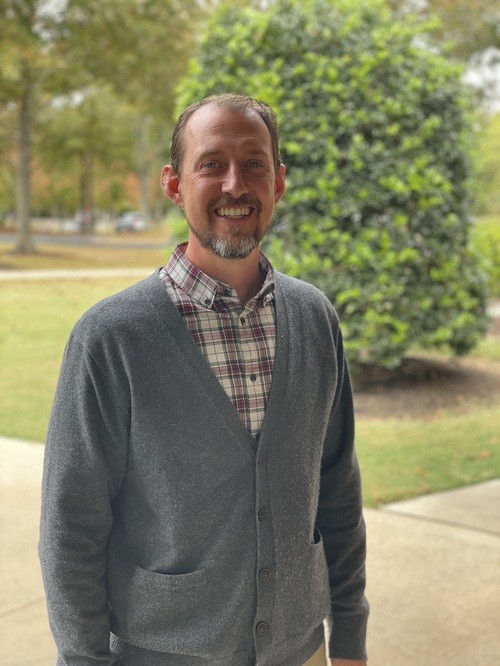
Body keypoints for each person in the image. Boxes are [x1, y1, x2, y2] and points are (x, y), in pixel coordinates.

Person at [39, 93, 369, 666]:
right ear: (174, 183)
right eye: (212, 164)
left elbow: (337, 488)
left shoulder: (315, 318)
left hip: (301, 650)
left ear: (279, 181)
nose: (235, 185)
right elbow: (71, 529)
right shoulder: (112, 338)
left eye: (254, 164)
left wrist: (350, 639)